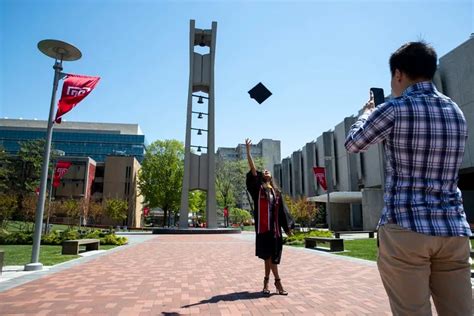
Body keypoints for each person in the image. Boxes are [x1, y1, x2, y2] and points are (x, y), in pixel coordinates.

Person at [345, 42, 472, 315]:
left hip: (406, 227)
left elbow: (354, 144)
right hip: (453, 229)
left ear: (399, 74)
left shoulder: (394, 108)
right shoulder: (456, 113)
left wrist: (365, 112)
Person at [245, 138, 294, 295]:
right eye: (263, 171)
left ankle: (266, 284)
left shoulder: (276, 193)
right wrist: (248, 151)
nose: (265, 171)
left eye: (268, 170)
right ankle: (277, 283)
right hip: (263, 228)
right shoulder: (258, 189)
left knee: (271, 257)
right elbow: (253, 170)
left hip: (275, 231)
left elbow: (282, 213)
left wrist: (288, 229)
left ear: (271, 176)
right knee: (269, 257)